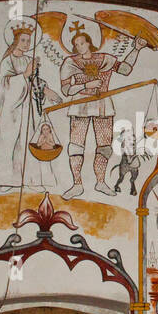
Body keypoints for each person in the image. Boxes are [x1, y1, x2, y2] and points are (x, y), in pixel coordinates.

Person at [60, 26, 147, 199]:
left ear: (89, 43)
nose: (79, 46)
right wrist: (86, 86)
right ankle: (77, 185)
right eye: (76, 44)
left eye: (82, 42)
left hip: (102, 104)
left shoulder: (105, 59)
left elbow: (125, 69)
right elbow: (65, 89)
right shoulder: (70, 62)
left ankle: (100, 182)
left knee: (104, 146)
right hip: (80, 103)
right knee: (76, 145)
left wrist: (136, 49)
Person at [0, 22, 61, 191]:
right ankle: (6, 179)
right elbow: (3, 84)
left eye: (28, 41)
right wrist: (24, 74)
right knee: (10, 141)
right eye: (23, 40)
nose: (27, 44)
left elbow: (36, 82)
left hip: (30, 109)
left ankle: (33, 180)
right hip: (14, 111)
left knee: (31, 140)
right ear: (15, 41)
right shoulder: (7, 61)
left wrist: (47, 91)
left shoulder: (29, 60)